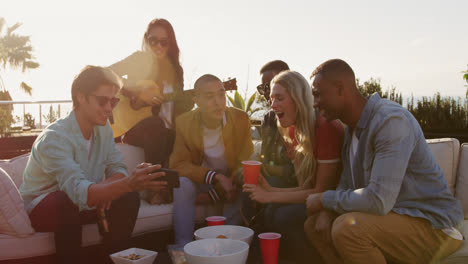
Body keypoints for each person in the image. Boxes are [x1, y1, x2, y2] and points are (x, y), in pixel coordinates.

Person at [305, 59, 463, 264]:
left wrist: (323, 199)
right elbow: (346, 183)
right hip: (393, 219)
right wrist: (327, 210)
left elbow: (378, 201)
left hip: (433, 226)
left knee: (347, 229)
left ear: (340, 88)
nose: (315, 103)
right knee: (314, 225)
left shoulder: (390, 122)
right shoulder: (351, 129)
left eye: (317, 94)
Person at [19, 66, 168, 264]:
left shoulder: (103, 127)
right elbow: (77, 191)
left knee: (128, 197)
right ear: (81, 97)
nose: (109, 108)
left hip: (82, 200)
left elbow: (116, 166)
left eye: (113, 101)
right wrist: (123, 185)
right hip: (44, 207)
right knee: (68, 203)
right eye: (102, 100)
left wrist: (111, 190)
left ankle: (114, 259)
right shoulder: (54, 139)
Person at [244, 70, 344, 263]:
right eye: (271, 99)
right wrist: (270, 189)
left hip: (337, 200)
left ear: (299, 99)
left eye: (280, 98)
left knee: (283, 215)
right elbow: (306, 185)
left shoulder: (325, 127)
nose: (273, 106)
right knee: (271, 210)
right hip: (317, 196)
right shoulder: (291, 129)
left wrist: (269, 195)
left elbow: (321, 191)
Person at [169, 74, 254, 247]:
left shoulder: (240, 119)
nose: (218, 102)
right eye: (209, 96)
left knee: (244, 179)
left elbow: (245, 160)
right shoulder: (184, 122)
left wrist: (226, 183)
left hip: (232, 179)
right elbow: (178, 164)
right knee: (182, 183)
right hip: (203, 179)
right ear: (196, 100)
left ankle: (228, 244)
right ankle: (183, 246)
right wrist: (215, 177)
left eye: (221, 94)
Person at [109, 18, 193, 167]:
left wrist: (188, 103)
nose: (158, 46)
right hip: (135, 128)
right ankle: (155, 183)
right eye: (153, 41)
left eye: (164, 42)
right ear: (146, 40)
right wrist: (136, 91)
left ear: (170, 44)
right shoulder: (138, 59)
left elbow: (175, 110)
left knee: (185, 132)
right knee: (156, 125)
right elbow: (106, 73)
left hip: (166, 132)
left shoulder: (176, 70)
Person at [257, 60, 296, 187]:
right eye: (263, 88)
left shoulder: (305, 119)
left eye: (272, 84)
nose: (268, 92)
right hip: (271, 181)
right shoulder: (269, 119)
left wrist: (276, 170)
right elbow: (266, 158)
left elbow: (306, 172)